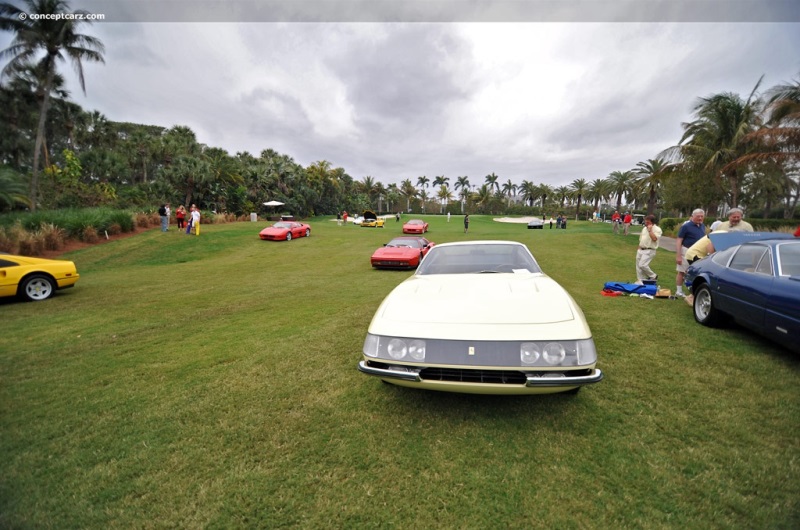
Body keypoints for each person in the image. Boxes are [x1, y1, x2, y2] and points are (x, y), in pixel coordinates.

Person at [674, 209, 706, 297]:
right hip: (686, 251)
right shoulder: (686, 226)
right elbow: (679, 240)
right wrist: (678, 255)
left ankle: (693, 291)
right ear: (693, 216)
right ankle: (679, 291)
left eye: (701, 216)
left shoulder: (702, 226)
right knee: (682, 271)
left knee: (696, 273)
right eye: (698, 216)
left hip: (698, 253)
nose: (700, 218)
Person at [635, 214, 662, 284]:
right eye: (645, 222)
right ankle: (640, 281)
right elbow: (641, 239)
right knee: (638, 267)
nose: (646, 224)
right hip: (641, 249)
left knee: (642, 265)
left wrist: (650, 231)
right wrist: (639, 248)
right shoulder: (644, 228)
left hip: (649, 250)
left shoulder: (657, 229)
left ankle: (653, 275)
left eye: (648, 222)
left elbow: (654, 238)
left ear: (652, 222)